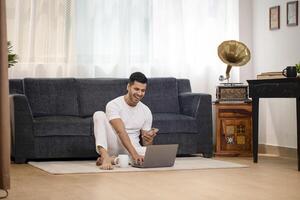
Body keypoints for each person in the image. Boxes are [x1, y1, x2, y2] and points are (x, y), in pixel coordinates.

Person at [93, 72, 158, 170]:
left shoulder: (146, 111)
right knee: (99, 114)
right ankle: (105, 156)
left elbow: (146, 144)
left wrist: (149, 139)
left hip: (133, 147)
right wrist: (135, 155)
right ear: (128, 87)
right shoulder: (113, 105)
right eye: (136, 89)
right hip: (114, 143)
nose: (139, 93)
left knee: (152, 155)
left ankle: (115, 160)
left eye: (143, 90)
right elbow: (121, 132)